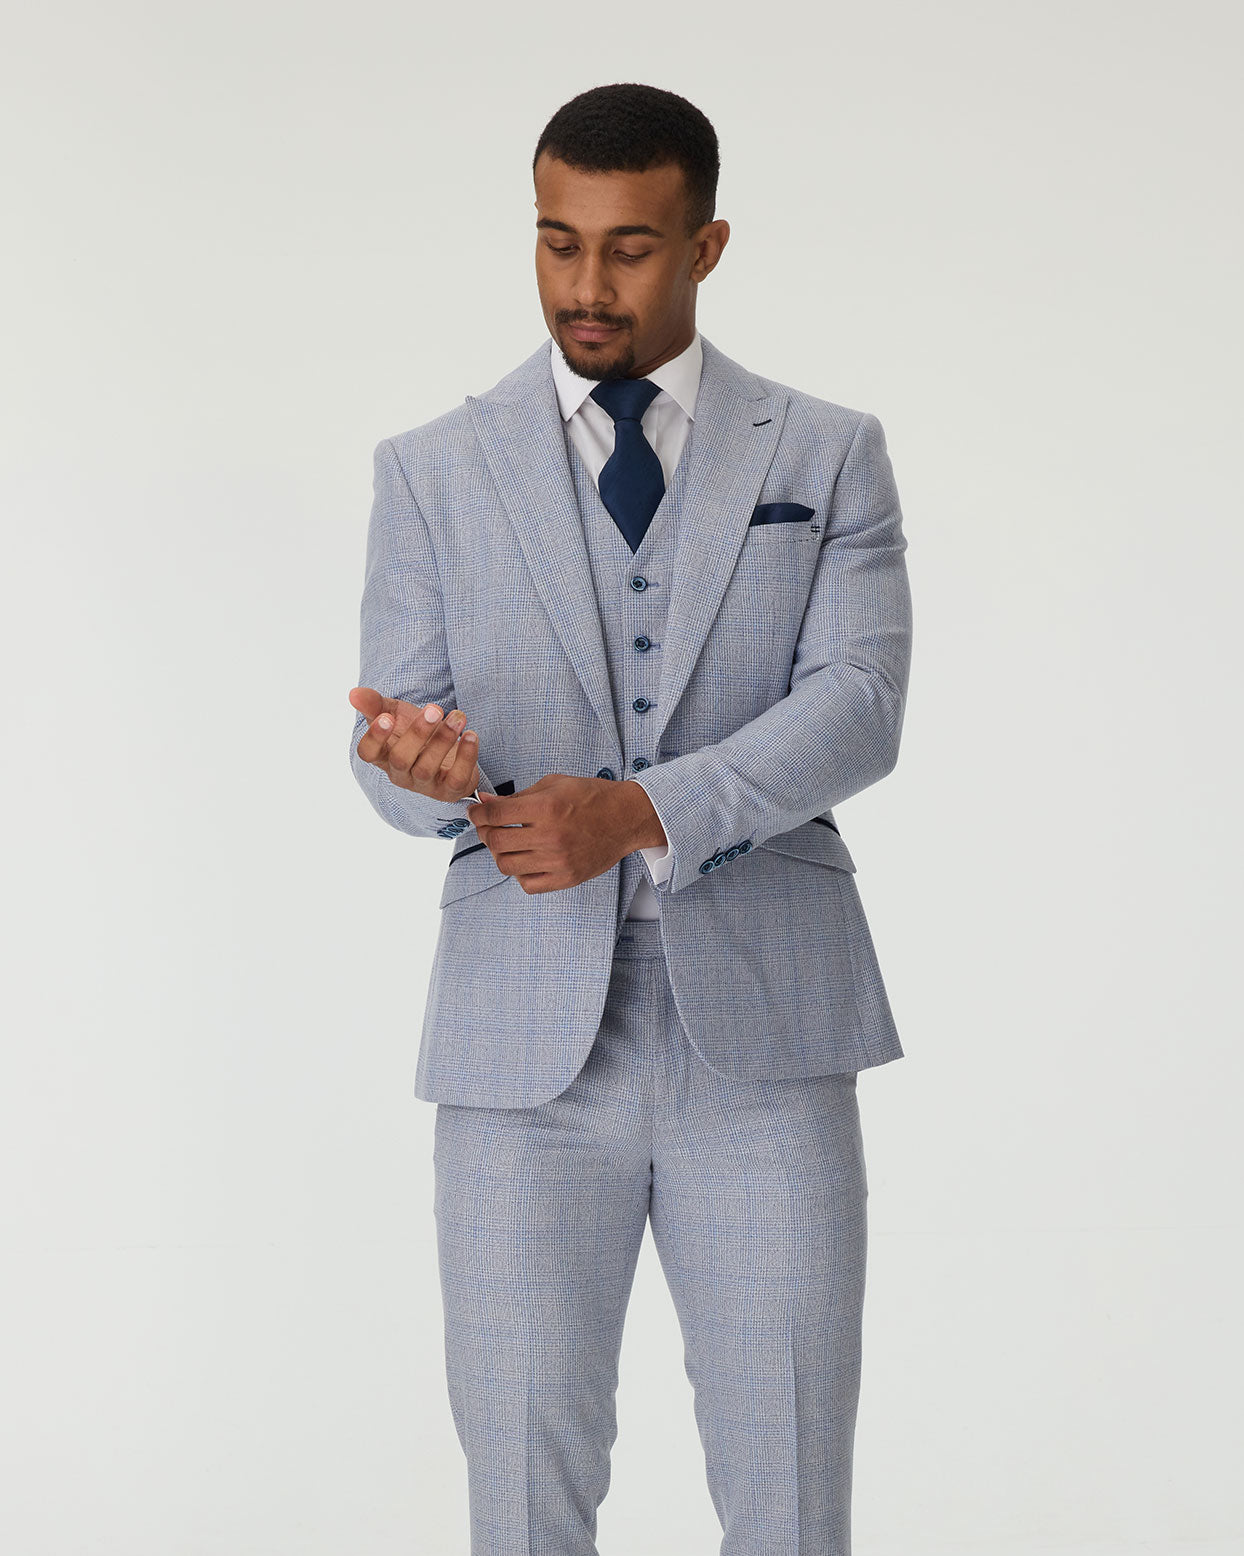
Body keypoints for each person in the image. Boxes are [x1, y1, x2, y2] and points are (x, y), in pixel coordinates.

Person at [348, 80, 911, 1556]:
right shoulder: (431, 469)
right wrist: (411, 772)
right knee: (526, 1493)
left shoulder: (826, 453)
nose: (585, 288)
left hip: (768, 1041)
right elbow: (393, 738)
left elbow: (859, 705)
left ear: (707, 245)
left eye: (630, 249)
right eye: (556, 243)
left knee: (789, 1487)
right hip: (521, 1053)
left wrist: (643, 811)